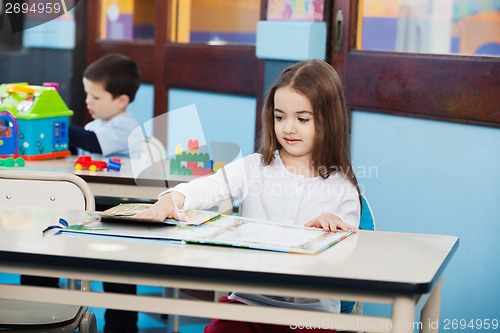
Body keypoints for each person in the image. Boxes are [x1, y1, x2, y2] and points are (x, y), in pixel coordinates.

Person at [135, 59, 361, 333]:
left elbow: (349, 251)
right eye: (280, 117)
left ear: (329, 120)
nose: (288, 128)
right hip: (249, 303)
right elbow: (211, 186)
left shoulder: (343, 186)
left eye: (302, 119)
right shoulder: (254, 167)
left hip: (310, 314)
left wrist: (334, 225)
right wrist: (174, 198)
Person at [69, 53, 142, 158]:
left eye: (96, 97)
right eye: (87, 94)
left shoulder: (127, 127)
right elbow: (80, 149)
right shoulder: (95, 125)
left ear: (121, 101)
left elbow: (92, 143)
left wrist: (58, 128)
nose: (88, 101)